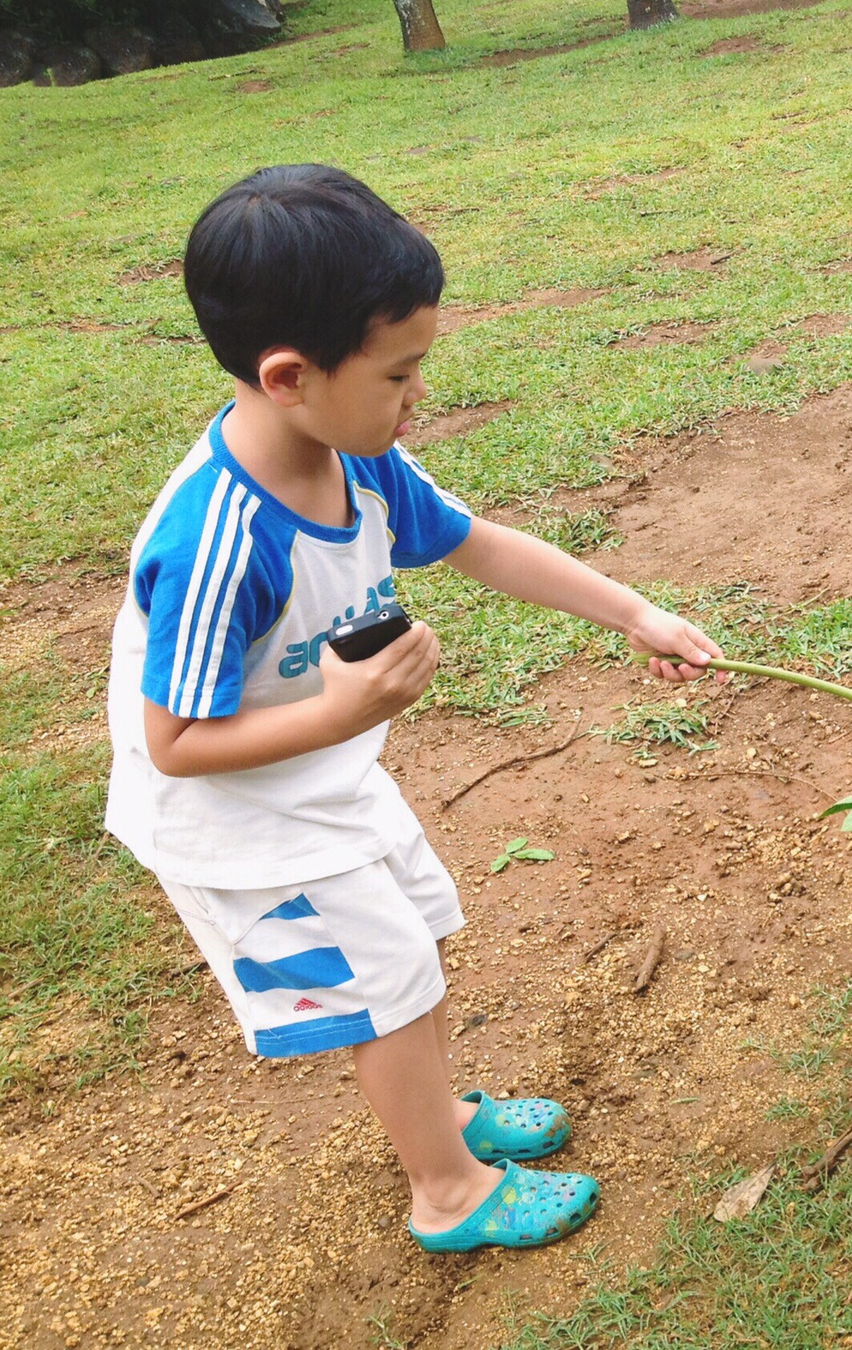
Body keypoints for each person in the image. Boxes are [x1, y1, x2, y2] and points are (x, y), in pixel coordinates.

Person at [103, 163, 723, 1252]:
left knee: (416, 941)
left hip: (321, 781)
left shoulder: (363, 461)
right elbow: (175, 743)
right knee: (381, 983)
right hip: (242, 823)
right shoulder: (216, 540)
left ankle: (440, 1117)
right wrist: (341, 717)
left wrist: (634, 613)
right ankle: (446, 1189)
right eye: (400, 373)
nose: (416, 396)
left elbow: (476, 543)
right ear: (289, 375)